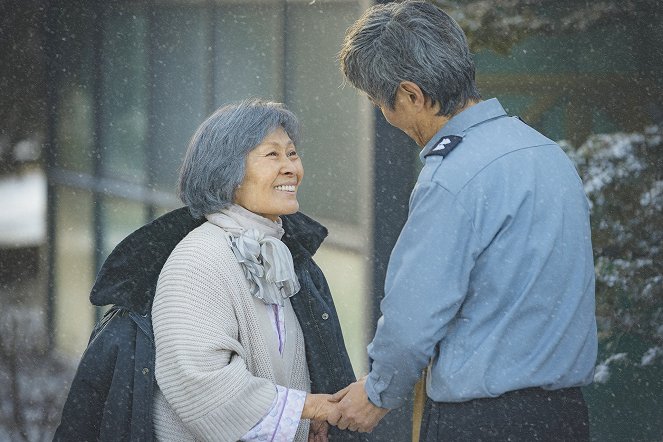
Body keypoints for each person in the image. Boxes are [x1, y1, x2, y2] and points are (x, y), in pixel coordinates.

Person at [330, 1, 598, 440]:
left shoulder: (451, 178)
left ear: (411, 95)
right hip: (565, 416)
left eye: (382, 102)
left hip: (483, 423)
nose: (386, 116)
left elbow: (413, 318)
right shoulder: (547, 154)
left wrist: (378, 392)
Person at [54, 99, 360, 441]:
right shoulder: (198, 260)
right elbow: (203, 389)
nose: (291, 168)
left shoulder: (283, 255)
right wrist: (309, 408)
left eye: (292, 153)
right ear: (226, 173)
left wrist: (303, 424)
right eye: (272, 155)